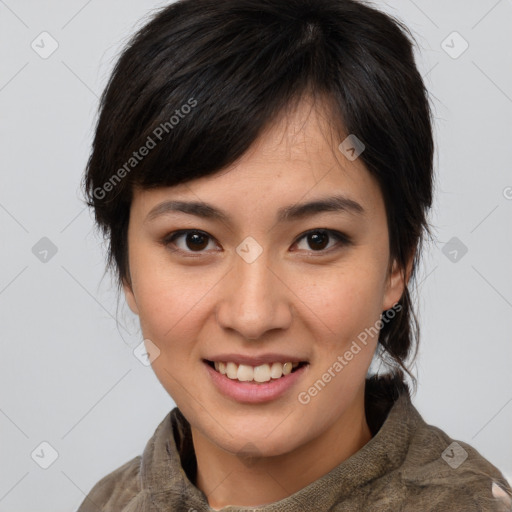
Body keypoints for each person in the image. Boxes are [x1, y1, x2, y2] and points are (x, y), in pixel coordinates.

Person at [77, 0, 512, 510]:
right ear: (126, 268)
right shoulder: (109, 501)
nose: (253, 315)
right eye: (194, 240)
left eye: (317, 240)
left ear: (399, 262)